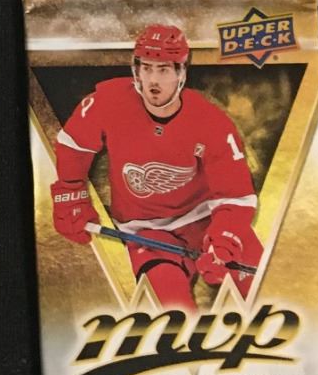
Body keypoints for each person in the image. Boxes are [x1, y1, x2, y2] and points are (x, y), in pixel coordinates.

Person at [50, 23, 263, 310]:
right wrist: (70, 193)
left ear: (181, 73)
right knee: (172, 308)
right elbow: (73, 143)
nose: (153, 80)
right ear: (135, 70)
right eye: (146, 68)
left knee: (263, 285)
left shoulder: (211, 122)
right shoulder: (107, 101)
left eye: (163, 70)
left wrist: (224, 240)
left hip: (203, 218)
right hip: (144, 228)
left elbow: (235, 195)